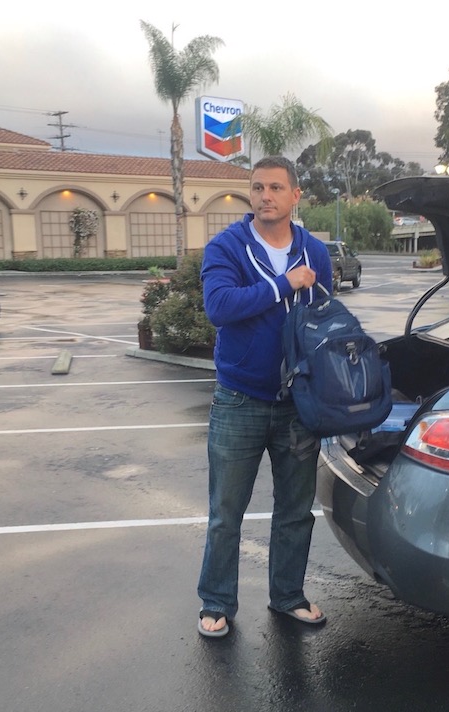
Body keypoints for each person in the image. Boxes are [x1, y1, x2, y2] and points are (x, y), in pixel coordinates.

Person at [196, 155, 333, 638]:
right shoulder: (227, 247)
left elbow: (323, 320)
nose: (265, 196)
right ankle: (216, 603)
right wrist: (283, 284)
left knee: (295, 511)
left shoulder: (315, 251)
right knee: (225, 513)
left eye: (276, 187)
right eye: (257, 187)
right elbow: (220, 307)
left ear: (296, 196)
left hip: (299, 404)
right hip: (239, 400)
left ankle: (288, 596)